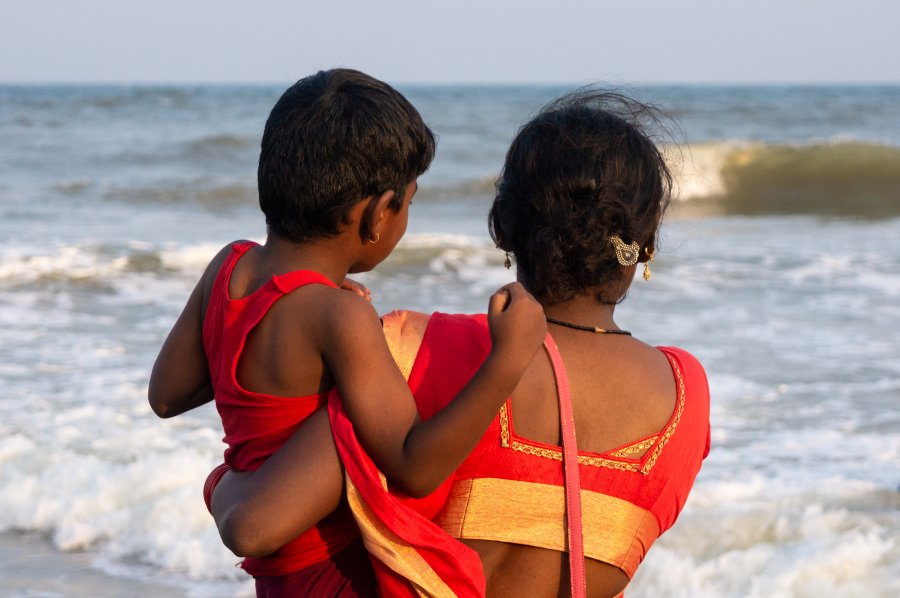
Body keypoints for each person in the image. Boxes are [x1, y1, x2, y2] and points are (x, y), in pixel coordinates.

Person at [209, 90, 711, 598]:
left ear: (504, 227)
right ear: (643, 246)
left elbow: (255, 521)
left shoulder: (420, 349)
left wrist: (218, 484)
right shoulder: (684, 395)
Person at [148, 68, 547, 597]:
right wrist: (507, 360)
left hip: (277, 579)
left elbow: (166, 395)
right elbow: (413, 464)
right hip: (336, 571)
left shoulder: (230, 265)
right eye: (409, 200)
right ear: (380, 213)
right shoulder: (339, 317)